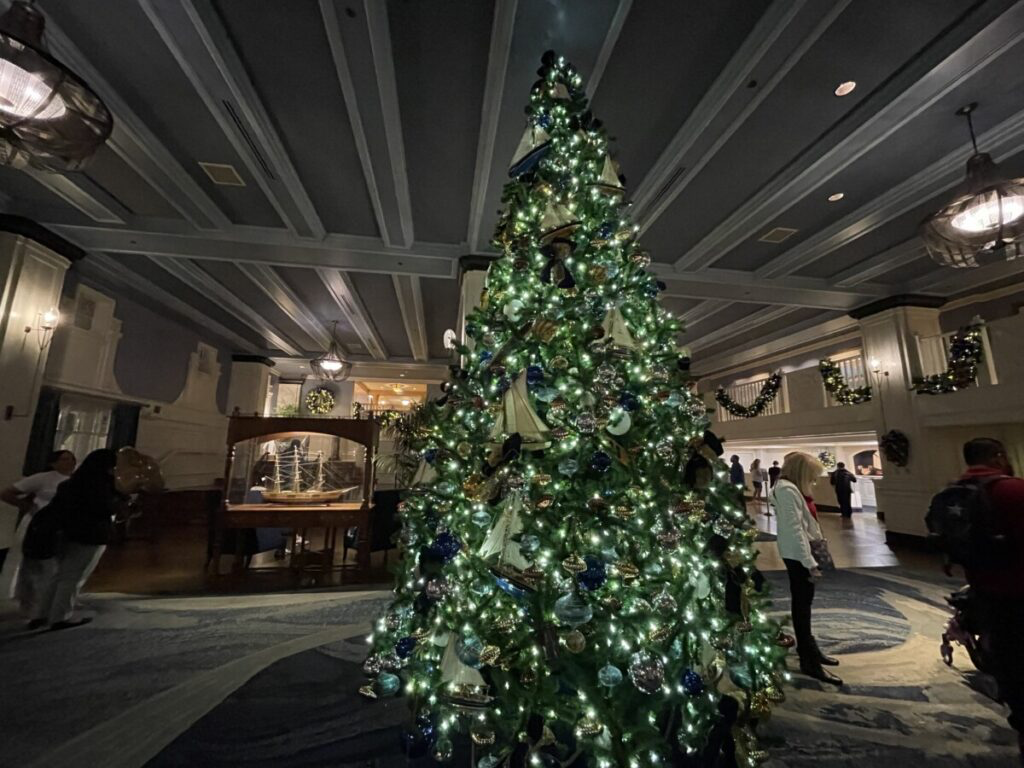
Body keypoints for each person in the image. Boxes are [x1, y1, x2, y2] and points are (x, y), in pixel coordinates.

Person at [956, 438, 1024, 760]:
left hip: (984, 593)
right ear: (998, 456)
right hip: (1017, 591)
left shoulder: (956, 491)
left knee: (1008, 662)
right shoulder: (1012, 490)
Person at [769, 452, 842, 686]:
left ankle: (810, 649)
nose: (814, 481)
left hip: (799, 553)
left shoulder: (789, 489)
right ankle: (808, 658)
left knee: (804, 603)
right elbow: (794, 530)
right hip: (798, 555)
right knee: (802, 604)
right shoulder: (788, 491)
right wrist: (809, 561)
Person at [35, 449, 123, 631]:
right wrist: (121, 501)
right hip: (88, 535)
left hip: (63, 533)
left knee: (59, 575)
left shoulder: (70, 484)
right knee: (73, 577)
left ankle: (41, 614)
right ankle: (60, 617)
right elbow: (104, 508)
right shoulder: (99, 486)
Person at [0, 451, 77, 624]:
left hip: (61, 526)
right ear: (53, 463)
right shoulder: (43, 478)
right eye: (65, 459)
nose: (70, 463)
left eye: (72, 459)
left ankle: (49, 604)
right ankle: (30, 604)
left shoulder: (76, 480)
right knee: (34, 566)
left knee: (56, 567)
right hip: (39, 525)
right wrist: (27, 506)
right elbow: (7, 492)